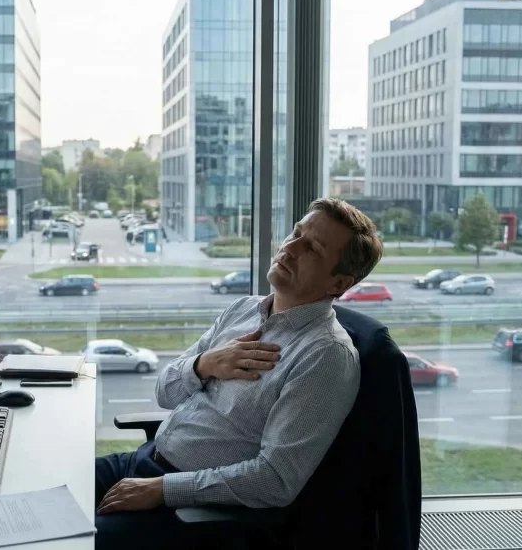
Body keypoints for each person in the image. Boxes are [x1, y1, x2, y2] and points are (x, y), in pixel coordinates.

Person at [94, 198, 384, 548]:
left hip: (188, 507)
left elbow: (276, 480)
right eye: (296, 232)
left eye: (313, 248)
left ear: (338, 283)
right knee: (34, 491)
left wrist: (163, 490)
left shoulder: (325, 357)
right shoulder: (242, 310)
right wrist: (205, 364)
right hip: (143, 463)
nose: (290, 247)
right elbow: (165, 392)